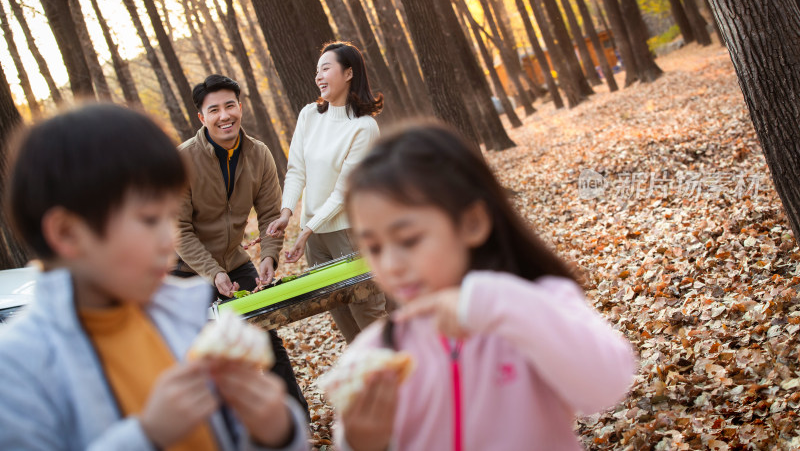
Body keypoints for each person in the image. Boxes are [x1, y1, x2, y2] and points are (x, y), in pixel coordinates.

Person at [0, 104, 309, 451]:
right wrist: (148, 435)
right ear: (68, 233)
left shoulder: (184, 320)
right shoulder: (15, 369)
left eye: (169, 218)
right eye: (149, 220)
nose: (169, 240)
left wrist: (274, 430)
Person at [333, 123, 637, 451]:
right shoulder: (379, 353)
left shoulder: (531, 304)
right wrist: (359, 441)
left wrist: (492, 304)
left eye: (408, 240)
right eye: (374, 248)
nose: (391, 264)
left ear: (472, 223)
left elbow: (607, 384)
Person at [172, 74, 308, 413]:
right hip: (185, 270)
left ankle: (296, 423)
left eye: (230, 106)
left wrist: (269, 257)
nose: (224, 116)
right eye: (214, 109)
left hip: (235, 260)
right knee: (208, 355)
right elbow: (178, 229)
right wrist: (212, 273)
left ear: (240, 108)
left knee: (266, 337)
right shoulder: (183, 161)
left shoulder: (259, 154)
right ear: (202, 118)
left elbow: (269, 216)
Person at [266, 42, 388, 344]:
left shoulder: (363, 127)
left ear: (348, 73)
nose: (319, 76)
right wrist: (286, 213)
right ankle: (369, 382)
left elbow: (342, 192)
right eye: (316, 70)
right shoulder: (309, 115)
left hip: (348, 233)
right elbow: (296, 170)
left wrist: (305, 231)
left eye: (326, 68)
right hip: (314, 237)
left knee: (369, 315)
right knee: (343, 317)